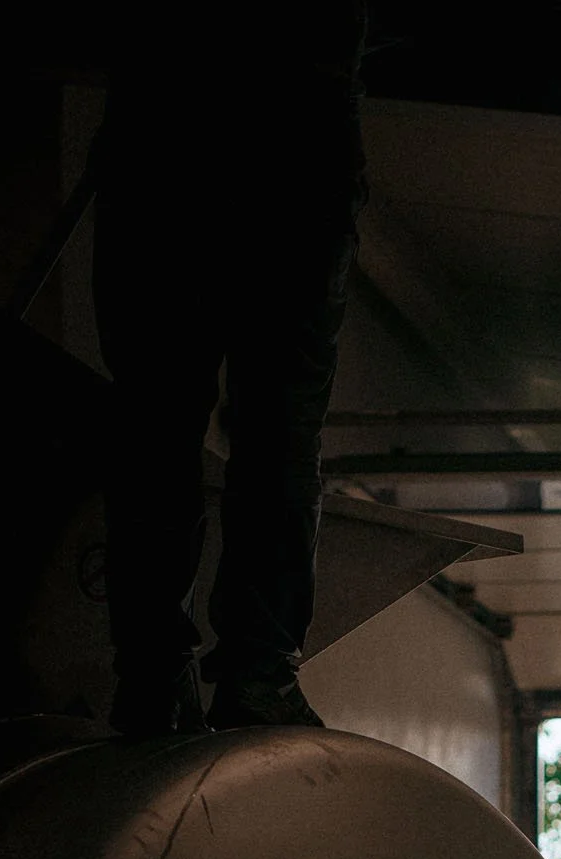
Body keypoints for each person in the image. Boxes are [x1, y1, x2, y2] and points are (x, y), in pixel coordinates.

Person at [92, 8, 368, 738]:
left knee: (155, 418)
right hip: (299, 137)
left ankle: (154, 679)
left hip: (160, 120)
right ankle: (257, 674)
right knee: (279, 428)